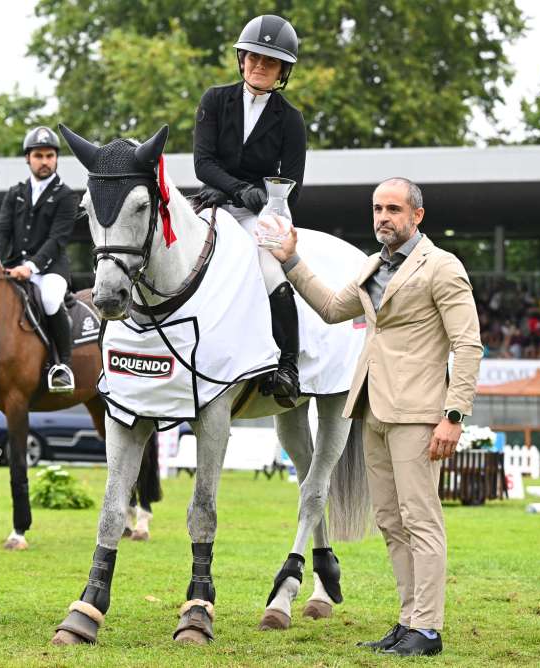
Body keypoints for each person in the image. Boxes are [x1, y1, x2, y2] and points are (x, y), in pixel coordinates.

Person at [268, 178, 483, 657]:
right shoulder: (373, 266)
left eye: (393, 209)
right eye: (377, 209)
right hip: (372, 410)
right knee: (389, 520)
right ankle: (408, 622)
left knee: (421, 521)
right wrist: (290, 260)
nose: (383, 217)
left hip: (420, 415)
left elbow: (467, 344)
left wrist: (454, 414)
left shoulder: (442, 267)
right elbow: (328, 308)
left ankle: (427, 628)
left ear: (416, 216)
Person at [192, 13, 306, 405]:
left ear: (281, 71)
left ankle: (288, 366)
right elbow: (203, 164)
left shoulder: (290, 120)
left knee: (271, 268)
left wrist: (263, 198)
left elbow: (292, 183)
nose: (259, 66)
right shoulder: (214, 99)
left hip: (264, 210)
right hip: (218, 198)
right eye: (253, 57)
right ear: (241, 58)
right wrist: (239, 191)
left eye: (269, 61)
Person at [0, 126, 79, 392]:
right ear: (28, 159)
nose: (45, 161)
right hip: (12, 266)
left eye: (49, 156)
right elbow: (1, 231)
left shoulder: (66, 196)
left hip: (50, 268)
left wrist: (30, 268)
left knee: (51, 300)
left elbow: (58, 239)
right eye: (39, 156)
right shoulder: (15, 193)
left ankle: (61, 364)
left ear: (56, 159)